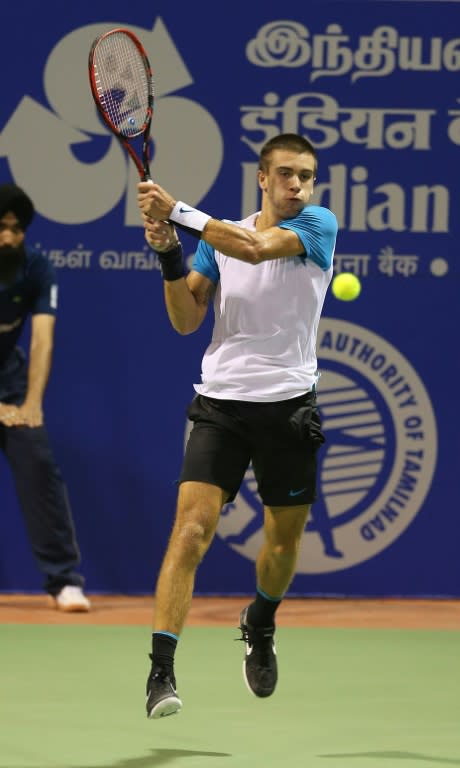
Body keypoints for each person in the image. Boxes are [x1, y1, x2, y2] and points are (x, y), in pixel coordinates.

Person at [137, 133, 338, 718]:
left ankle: (260, 620)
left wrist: (176, 211)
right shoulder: (216, 239)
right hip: (221, 406)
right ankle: (161, 671)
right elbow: (185, 319)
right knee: (191, 532)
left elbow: (252, 248)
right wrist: (171, 255)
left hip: (289, 409)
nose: (296, 185)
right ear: (262, 177)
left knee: (282, 543)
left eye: (305, 175)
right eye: (285, 174)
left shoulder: (317, 225)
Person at [0, 183, 90, 612]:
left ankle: (63, 581)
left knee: (38, 464)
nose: (9, 238)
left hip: (11, 381)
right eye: (1, 228)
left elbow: (41, 340)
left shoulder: (35, 267)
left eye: (16, 230)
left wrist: (32, 401)